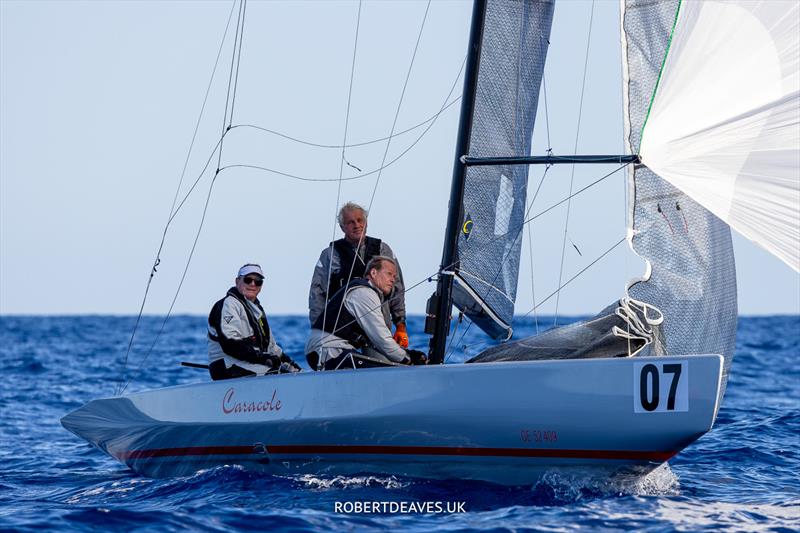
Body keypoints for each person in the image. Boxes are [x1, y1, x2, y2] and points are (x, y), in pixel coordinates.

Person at [308, 202, 409, 349]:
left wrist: (400, 325)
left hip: (378, 330)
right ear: (343, 227)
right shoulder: (330, 255)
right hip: (342, 334)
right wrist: (319, 331)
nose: (357, 225)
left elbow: (397, 289)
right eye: (350, 222)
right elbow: (317, 295)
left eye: (360, 220)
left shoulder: (383, 250)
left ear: (366, 222)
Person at [305, 256, 427, 370]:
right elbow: (382, 339)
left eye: (395, 277)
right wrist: (408, 360)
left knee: (385, 369)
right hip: (329, 350)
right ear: (373, 273)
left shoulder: (364, 291)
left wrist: (406, 353)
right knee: (385, 374)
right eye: (389, 274)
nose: (392, 280)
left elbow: (374, 341)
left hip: (328, 349)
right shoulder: (364, 294)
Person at [207, 264, 300, 380]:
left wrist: (292, 365)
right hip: (226, 365)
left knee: (294, 374)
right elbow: (230, 344)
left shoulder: (256, 310)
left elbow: (271, 347)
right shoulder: (229, 304)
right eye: (248, 280)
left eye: (258, 282)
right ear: (237, 281)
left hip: (251, 363)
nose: (252, 284)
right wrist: (263, 358)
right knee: (276, 376)